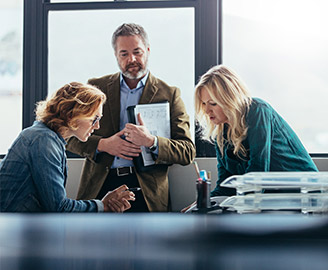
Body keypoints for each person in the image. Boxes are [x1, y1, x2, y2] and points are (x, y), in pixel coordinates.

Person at [66, 23, 195, 212]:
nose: (132, 59)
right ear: (116, 55)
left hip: (148, 193)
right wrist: (103, 144)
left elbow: (187, 152)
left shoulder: (169, 94)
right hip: (101, 186)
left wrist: (151, 141)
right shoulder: (96, 87)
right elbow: (68, 136)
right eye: (124, 54)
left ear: (148, 50)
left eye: (137, 52)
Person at [0, 82, 135, 212]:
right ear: (72, 115)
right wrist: (102, 205)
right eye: (93, 119)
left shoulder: (48, 138)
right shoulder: (44, 141)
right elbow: (59, 207)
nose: (97, 126)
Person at [194, 65, 318, 197]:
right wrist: (204, 203)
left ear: (229, 100)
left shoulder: (258, 110)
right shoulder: (221, 134)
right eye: (203, 103)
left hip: (302, 194)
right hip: (271, 198)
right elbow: (225, 185)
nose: (207, 111)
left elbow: (258, 172)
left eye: (212, 103)